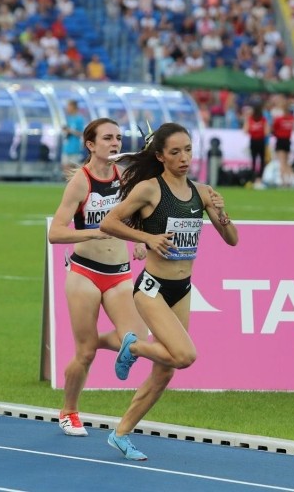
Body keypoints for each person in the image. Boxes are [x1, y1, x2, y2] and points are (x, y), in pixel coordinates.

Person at [99, 122, 239, 461]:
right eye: (175, 152)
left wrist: (221, 216)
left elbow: (233, 239)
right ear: (160, 156)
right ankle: (135, 346)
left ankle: (120, 435)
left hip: (183, 287)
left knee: (166, 372)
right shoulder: (149, 189)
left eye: (188, 150)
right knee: (185, 357)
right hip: (152, 289)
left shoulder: (202, 192)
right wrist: (147, 239)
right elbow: (109, 223)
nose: (184, 158)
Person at [47, 117, 148, 437]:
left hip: (119, 273)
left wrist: (142, 239)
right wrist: (95, 231)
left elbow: (139, 216)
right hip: (85, 274)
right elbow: (56, 233)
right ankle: (69, 410)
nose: (115, 143)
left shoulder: (127, 177)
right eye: (107, 138)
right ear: (90, 145)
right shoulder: (81, 182)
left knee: (137, 338)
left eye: (118, 137)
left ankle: (96, 343)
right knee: (85, 353)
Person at [242, 102, 268, 183]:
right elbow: (267, 132)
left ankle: (253, 177)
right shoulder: (263, 119)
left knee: (254, 160)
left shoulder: (250, 119)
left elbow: (245, 130)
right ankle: (260, 177)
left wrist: (253, 131)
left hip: (253, 141)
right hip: (261, 141)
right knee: (262, 160)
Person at [60, 100, 86, 173]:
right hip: (67, 146)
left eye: (68, 106)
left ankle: (74, 182)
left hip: (75, 146)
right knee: (65, 166)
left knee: (74, 167)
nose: (67, 108)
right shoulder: (69, 118)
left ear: (73, 107)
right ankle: (67, 183)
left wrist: (70, 130)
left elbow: (81, 133)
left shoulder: (79, 119)